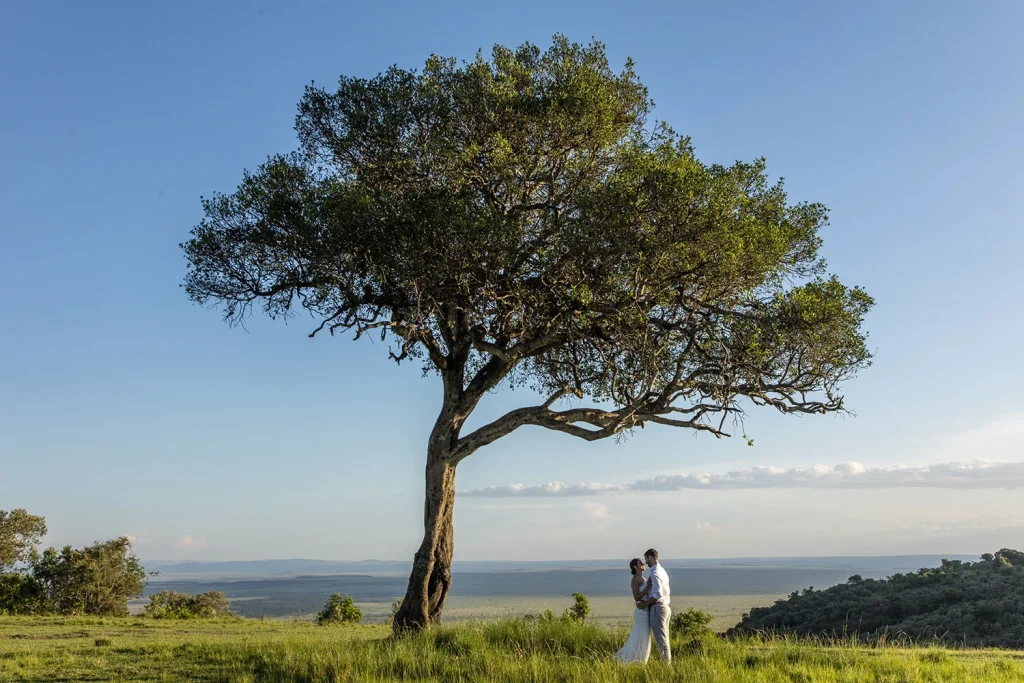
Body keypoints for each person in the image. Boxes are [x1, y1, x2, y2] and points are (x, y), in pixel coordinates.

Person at [635, 548, 671, 662]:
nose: (646, 562)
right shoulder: (662, 571)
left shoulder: (655, 572)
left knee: (661, 639)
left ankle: (666, 665)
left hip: (657, 608)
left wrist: (646, 603)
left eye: (646, 559)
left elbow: (658, 593)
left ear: (651, 557)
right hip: (665, 606)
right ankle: (667, 662)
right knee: (665, 637)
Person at [613, 558, 652, 663]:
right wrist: (647, 588)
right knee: (640, 636)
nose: (643, 564)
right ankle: (634, 658)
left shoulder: (642, 578)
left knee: (644, 637)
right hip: (641, 612)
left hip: (646, 610)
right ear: (635, 567)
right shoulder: (635, 579)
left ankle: (640, 658)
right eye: (640, 563)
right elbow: (636, 597)